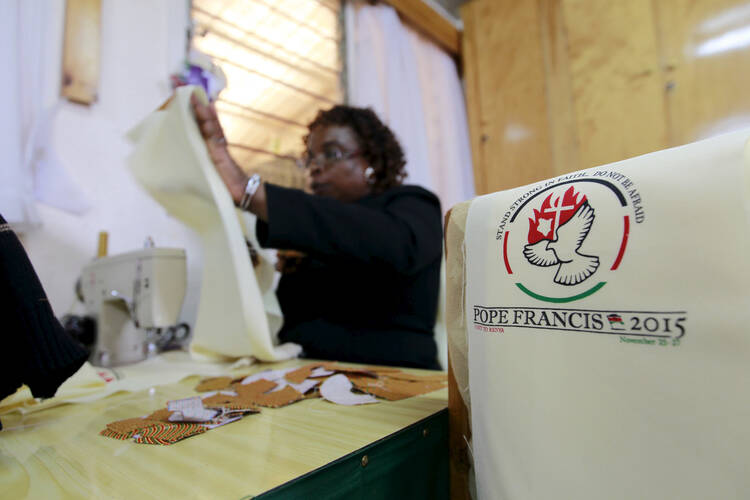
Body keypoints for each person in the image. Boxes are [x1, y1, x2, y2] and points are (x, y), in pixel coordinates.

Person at [191, 95, 442, 369]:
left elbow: (388, 243)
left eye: (332, 153)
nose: (315, 166)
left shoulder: (414, 205)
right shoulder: (311, 230)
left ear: (373, 162)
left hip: (396, 381)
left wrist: (249, 192)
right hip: (303, 376)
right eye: (310, 158)